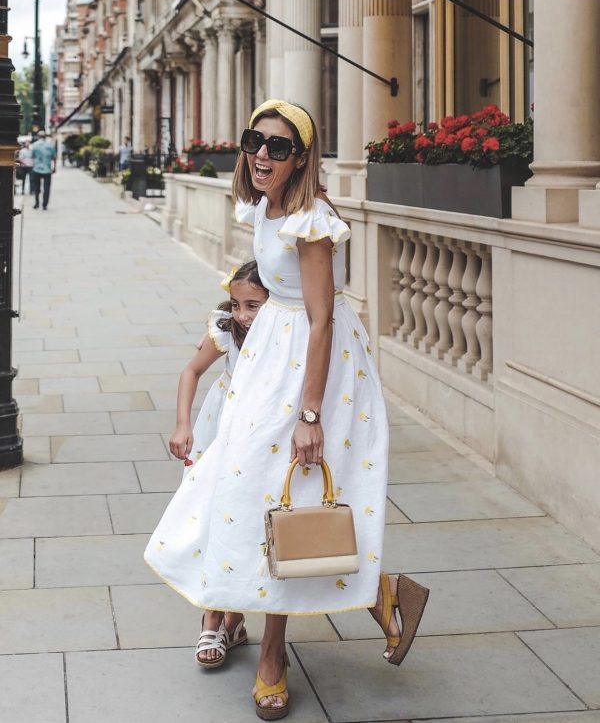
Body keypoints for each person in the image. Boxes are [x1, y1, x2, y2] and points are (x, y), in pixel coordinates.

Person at [145, 100, 429, 720]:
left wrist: (309, 414)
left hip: (310, 372)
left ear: (302, 157)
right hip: (269, 362)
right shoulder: (265, 208)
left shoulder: (311, 220)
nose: (262, 155)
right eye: (255, 142)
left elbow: (323, 318)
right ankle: (379, 597)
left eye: (279, 147)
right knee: (241, 492)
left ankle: (275, 653)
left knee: (284, 502)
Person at [169, 260, 269, 476]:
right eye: (235, 305)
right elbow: (191, 371)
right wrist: (182, 424)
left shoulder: (287, 335)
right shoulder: (228, 331)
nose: (242, 315)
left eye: (252, 306)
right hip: (227, 417)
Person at [30, 130, 56, 210]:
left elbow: (32, 157)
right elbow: (54, 158)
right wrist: (54, 168)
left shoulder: (34, 145)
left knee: (37, 187)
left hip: (36, 169)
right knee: (47, 188)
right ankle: (44, 205)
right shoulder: (50, 145)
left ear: (38, 136)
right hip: (47, 169)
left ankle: (37, 203)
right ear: (45, 137)